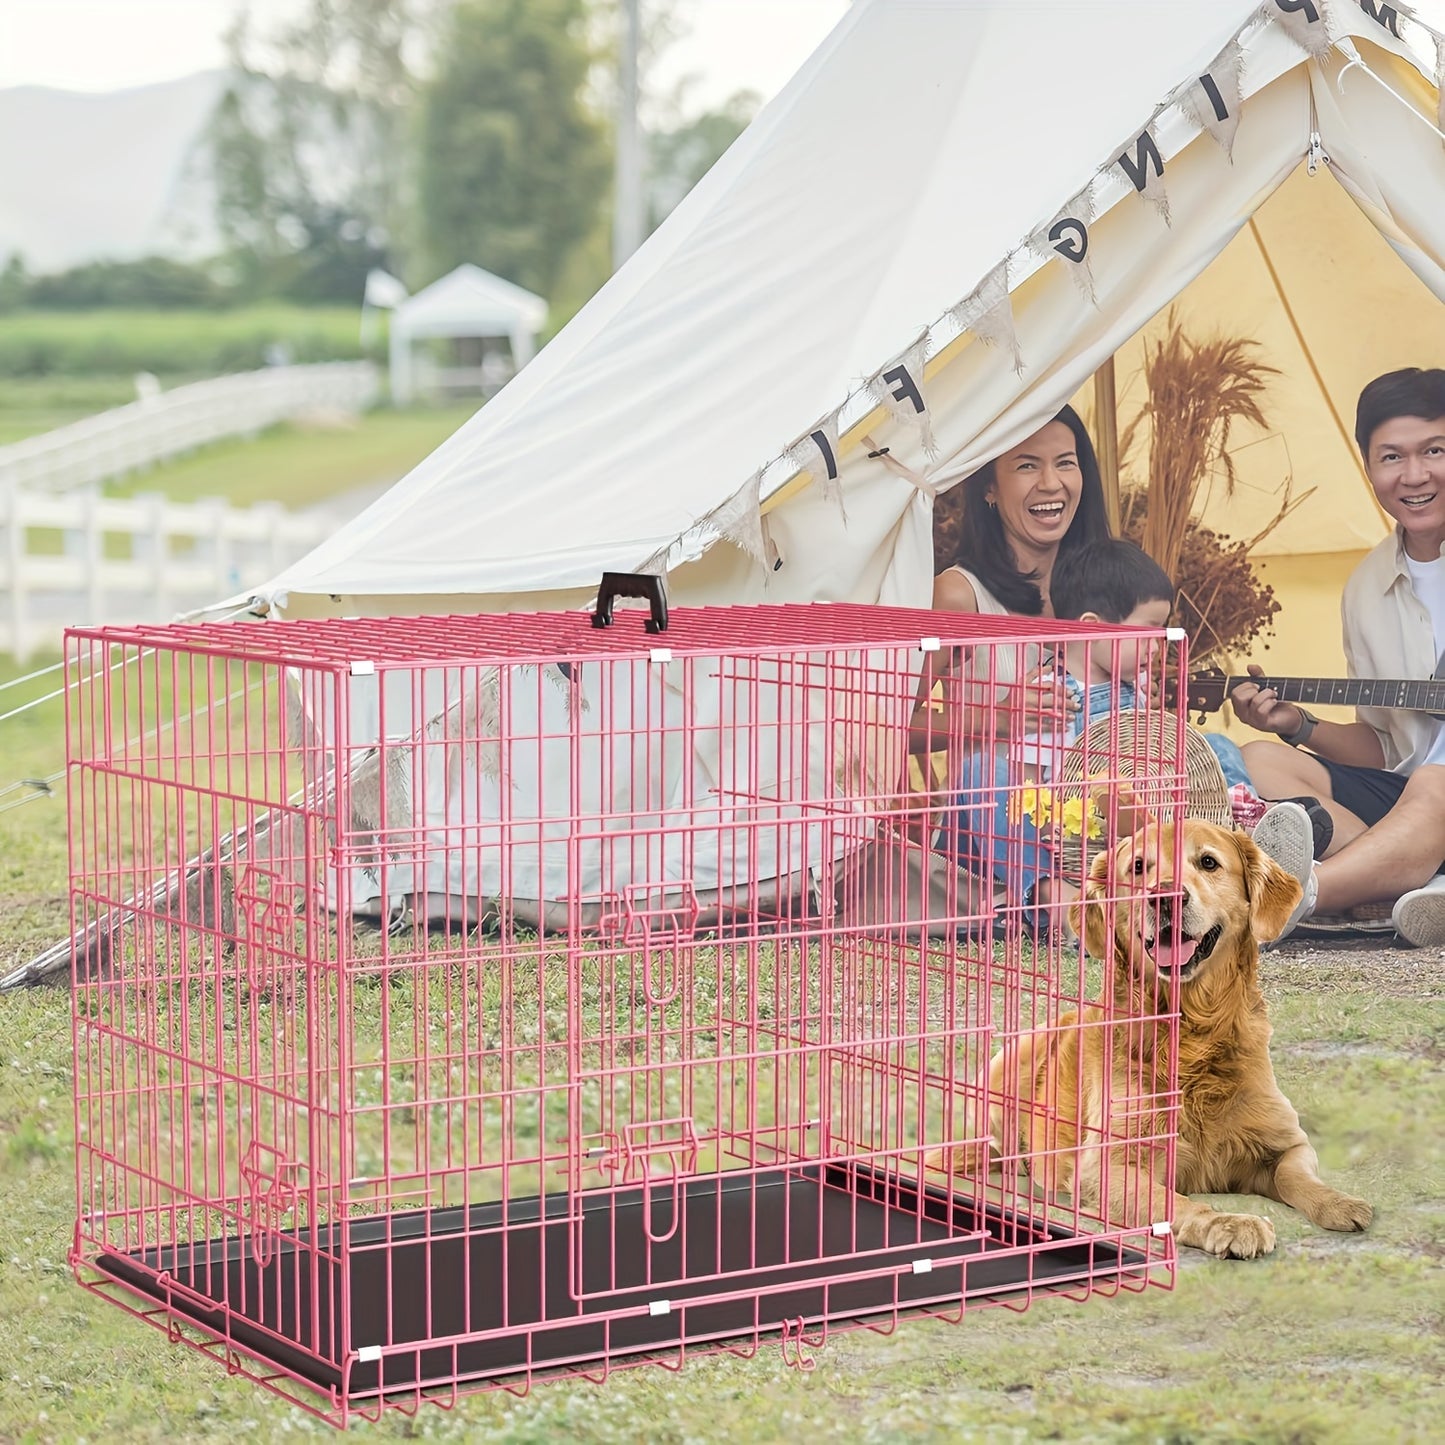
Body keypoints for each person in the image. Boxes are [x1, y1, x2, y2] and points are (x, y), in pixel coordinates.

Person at [1235, 368, 1445, 946]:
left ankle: (1298, 897)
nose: (1416, 475)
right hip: (1411, 802)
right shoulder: (1365, 588)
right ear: (1368, 467)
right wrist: (1299, 724)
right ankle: (1409, 879)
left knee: (1436, 784)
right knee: (1256, 758)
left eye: (1434, 450)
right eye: (1392, 457)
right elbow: (1385, 748)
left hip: (1435, 796)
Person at [916, 405, 1111, 923]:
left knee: (1211, 750)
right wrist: (998, 719)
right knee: (991, 771)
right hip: (991, 833)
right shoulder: (959, 596)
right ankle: (1054, 905)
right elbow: (888, 727)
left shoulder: (1108, 591)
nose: (1052, 484)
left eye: (1065, 464)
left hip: (1087, 821)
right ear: (989, 487)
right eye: (1027, 465)